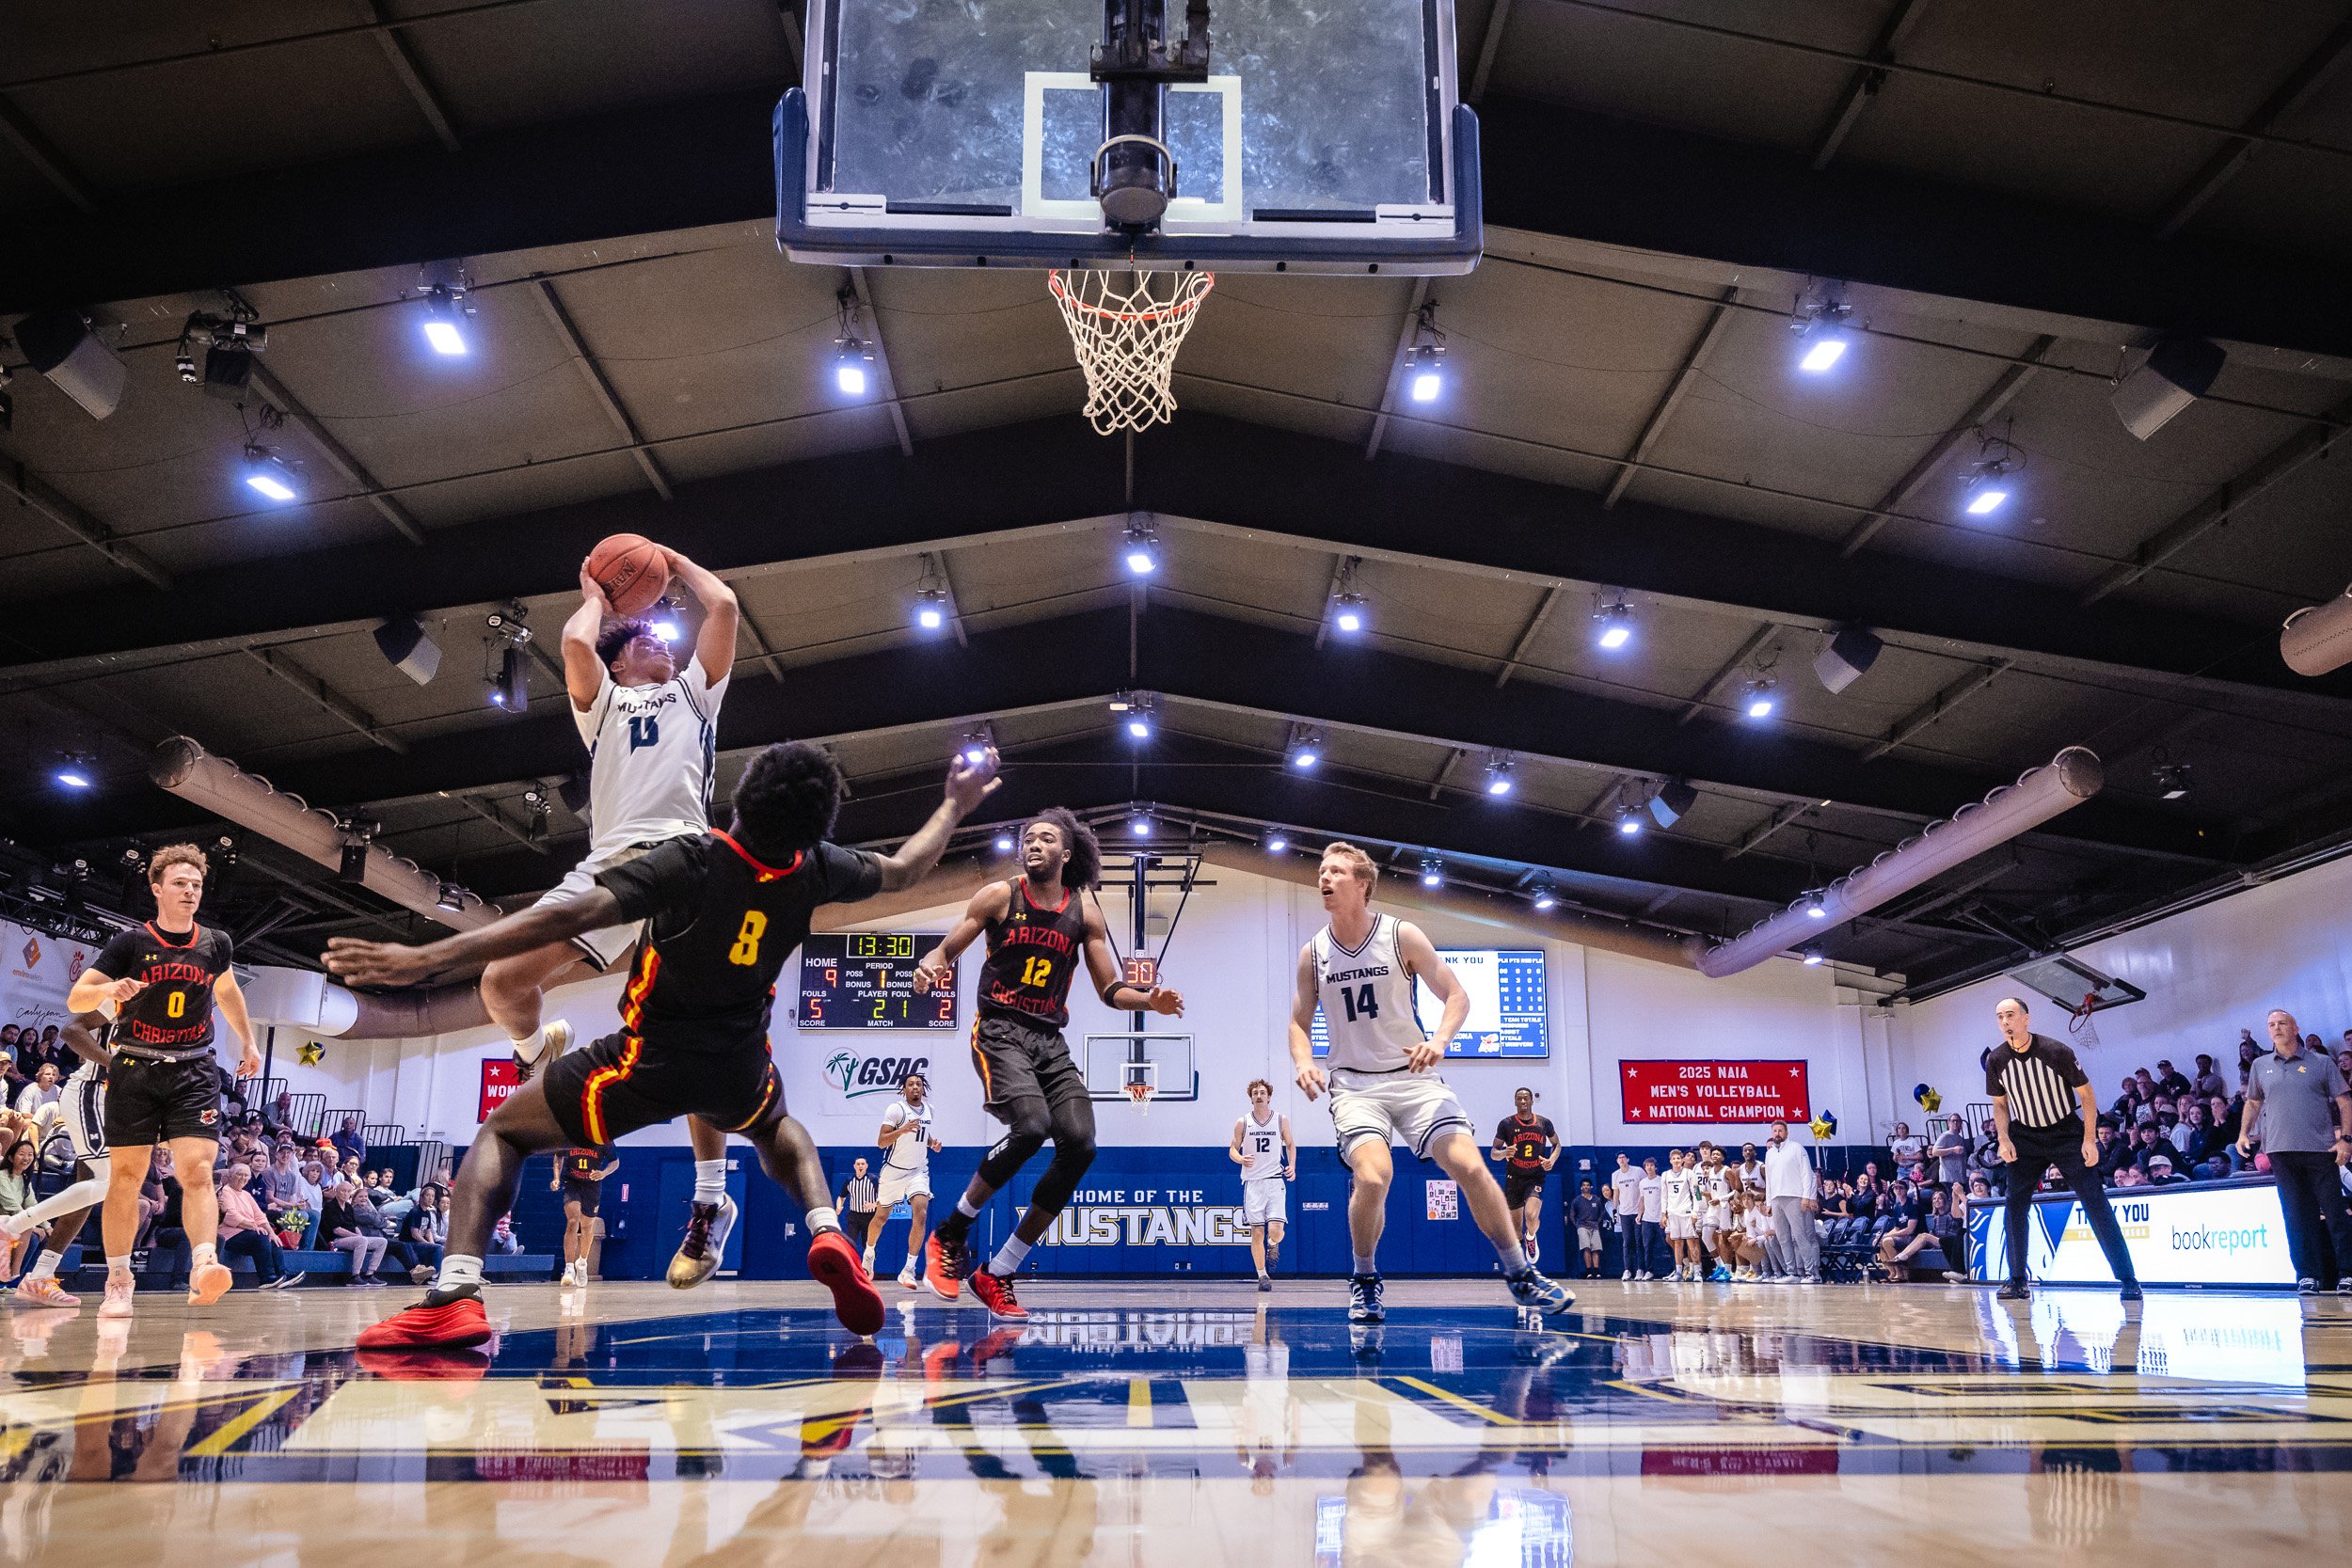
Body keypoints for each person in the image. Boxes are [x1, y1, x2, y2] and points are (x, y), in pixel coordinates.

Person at [326, 739, 999, 1349]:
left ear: (741, 799)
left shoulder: (693, 860)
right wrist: (954, 803)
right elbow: (907, 869)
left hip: (647, 1059)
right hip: (737, 1062)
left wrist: (427, 958)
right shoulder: (817, 866)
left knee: (503, 1132)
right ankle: (825, 1227)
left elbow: (567, 915)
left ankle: (454, 1294)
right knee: (775, 1125)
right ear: (813, 828)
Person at [481, 548, 744, 1269]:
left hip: (683, 867)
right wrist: (596, 593)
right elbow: (574, 644)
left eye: (663, 637)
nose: (662, 641)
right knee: (501, 981)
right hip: (606, 868)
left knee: (690, 1037)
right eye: (646, 638)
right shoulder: (601, 705)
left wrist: (671, 562)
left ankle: (711, 1197)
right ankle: (537, 1055)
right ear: (620, 663)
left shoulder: (695, 694)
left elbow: (723, 606)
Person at [1281, 842, 1572, 1323]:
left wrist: (1439, 1040)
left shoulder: (1400, 935)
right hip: (1355, 1084)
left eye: (1335, 871)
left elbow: (1456, 994)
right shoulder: (1313, 953)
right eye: (1321, 871)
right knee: (1373, 1176)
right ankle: (1364, 1279)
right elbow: (1298, 1021)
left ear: (1363, 884)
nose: (1324, 878)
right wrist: (1302, 1061)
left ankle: (1520, 1273)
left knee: (1471, 1166)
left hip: (1415, 1077)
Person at [913, 806, 1182, 1322]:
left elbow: (1110, 989)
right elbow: (945, 950)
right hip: (999, 1032)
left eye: (1045, 839)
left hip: (1049, 1041)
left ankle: (999, 1271)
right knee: (1031, 1127)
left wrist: (1150, 1000)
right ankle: (951, 1231)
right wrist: (930, 967)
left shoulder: (1084, 912)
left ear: (1067, 852)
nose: (1034, 844)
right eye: (1028, 838)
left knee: (1080, 1145)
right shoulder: (1000, 896)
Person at [65, 844, 260, 1318]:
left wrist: (249, 1042)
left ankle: (203, 1264)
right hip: (135, 1067)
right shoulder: (130, 944)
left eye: (196, 884)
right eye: (180, 883)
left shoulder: (216, 943)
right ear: (157, 889)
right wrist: (109, 987)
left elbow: (227, 991)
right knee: (126, 1179)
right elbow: (76, 1000)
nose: (190, 891)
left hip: (194, 1069)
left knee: (198, 1171)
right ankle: (118, 1279)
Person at [1985, 996, 2139, 1301]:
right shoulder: (1996, 1060)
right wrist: (2003, 1138)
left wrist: (2089, 1138)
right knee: (2014, 1202)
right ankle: (2017, 1280)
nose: (2005, 1022)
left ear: (2026, 1018)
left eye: (2011, 1015)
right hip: (2025, 1135)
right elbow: (2000, 1104)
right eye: (2000, 1016)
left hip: (2065, 1131)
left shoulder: (2056, 1051)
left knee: (2094, 1199)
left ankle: (2128, 1279)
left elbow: (2087, 1095)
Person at [2, 1008, 117, 1307]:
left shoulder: (175, 1016)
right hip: (93, 1091)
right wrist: (116, 1064)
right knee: (103, 1182)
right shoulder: (126, 994)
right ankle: (12, 1226)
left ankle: (41, 1274)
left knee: (91, 1190)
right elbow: (71, 1031)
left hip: (119, 1100)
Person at [2238, 1007, 2352, 1293]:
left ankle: (2348, 1273)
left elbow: (2344, 1102)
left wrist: (2346, 1139)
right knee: (2296, 1217)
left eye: (2282, 1023)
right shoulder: (2260, 1065)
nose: (2276, 1028)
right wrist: (2242, 1134)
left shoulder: (2321, 1062)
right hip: (2280, 1151)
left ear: (2296, 1028)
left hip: (2321, 1150)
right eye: (2271, 1025)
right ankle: (2307, 1275)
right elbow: (2253, 1103)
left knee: (2335, 1213)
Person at [860, 1071, 943, 1292]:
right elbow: (881, 1142)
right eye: (911, 1084)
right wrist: (903, 1130)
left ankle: (908, 1270)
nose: (915, 1087)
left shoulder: (929, 1110)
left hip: (918, 1170)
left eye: (918, 1084)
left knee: (921, 1212)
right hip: (893, 1171)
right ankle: (869, 1253)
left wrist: (932, 1143)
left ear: (923, 1088)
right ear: (904, 1089)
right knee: (881, 1217)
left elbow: (922, 1135)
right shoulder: (896, 1109)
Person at [1232, 1078, 1295, 1291]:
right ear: (1251, 1098)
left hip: (1275, 1181)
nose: (1259, 1096)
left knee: (1276, 1231)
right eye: (1255, 1093)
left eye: (1262, 1093)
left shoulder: (1280, 1119)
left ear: (1269, 1097)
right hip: (1253, 1183)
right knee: (1257, 1232)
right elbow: (1232, 1149)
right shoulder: (1243, 1122)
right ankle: (1262, 1276)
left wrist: (1292, 1166)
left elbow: (1290, 1144)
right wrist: (1240, 1158)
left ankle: (1273, 1244)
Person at [1488, 1086, 1558, 1266]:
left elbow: (1557, 1145)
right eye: (1519, 1098)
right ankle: (1521, 1265)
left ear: (1532, 1101)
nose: (1523, 1101)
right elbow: (1493, 1153)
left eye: (1526, 1098)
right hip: (1514, 1178)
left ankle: (1531, 1237)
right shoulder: (1506, 1124)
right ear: (1515, 1101)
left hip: (1535, 1176)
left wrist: (1551, 1160)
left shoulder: (1544, 1123)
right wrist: (1504, 1153)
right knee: (1516, 1229)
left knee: (1531, 1215)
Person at [215, 1164, 298, 1289]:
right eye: (239, 1174)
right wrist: (254, 1226)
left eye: (246, 1175)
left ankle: (283, 1274)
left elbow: (260, 1216)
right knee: (261, 1236)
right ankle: (267, 1277)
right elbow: (230, 1215)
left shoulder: (246, 1194)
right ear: (231, 1176)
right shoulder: (225, 1192)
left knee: (273, 1239)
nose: (243, 1178)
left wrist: (272, 1233)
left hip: (248, 1233)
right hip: (229, 1236)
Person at [1760, 1120, 1820, 1285]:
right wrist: (1769, 1202)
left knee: (1800, 1236)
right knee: (1783, 1238)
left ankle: (1811, 1273)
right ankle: (1791, 1272)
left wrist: (1806, 1196)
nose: (1777, 1133)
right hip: (1776, 1199)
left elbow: (1807, 1173)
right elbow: (1769, 1180)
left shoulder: (1796, 1148)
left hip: (1795, 1196)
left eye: (1780, 1130)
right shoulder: (1770, 1154)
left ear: (1786, 1133)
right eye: (1775, 1131)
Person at [550, 1146, 617, 1287]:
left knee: (587, 1226)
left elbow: (615, 1161)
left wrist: (603, 1173)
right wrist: (556, 1178)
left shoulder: (602, 1139)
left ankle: (582, 1263)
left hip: (592, 1185)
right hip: (572, 1183)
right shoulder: (571, 1137)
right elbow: (558, 1156)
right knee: (573, 1221)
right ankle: (569, 1268)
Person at [1661, 1148, 1703, 1282]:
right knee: (1677, 1243)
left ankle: (1697, 1271)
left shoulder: (1689, 1173)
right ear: (1670, 1161)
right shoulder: (1665, 1175)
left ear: (1682, 1160)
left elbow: (1697, 1193)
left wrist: (1695, 1212)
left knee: (1691, 1242)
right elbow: (1664, 1196)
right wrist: (1664, 1213)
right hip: (1673, 1213)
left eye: (1678, 1158)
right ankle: (1679, 1272)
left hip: (1687, 1212)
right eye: (1674, 1158)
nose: (1676, 1160)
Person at [1608, 1153, 1644, 1281]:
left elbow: (1644, 1188)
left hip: (1638, 1212)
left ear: (1628, 1159)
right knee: (1627, 1242)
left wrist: (1643, 1209)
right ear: (1617, 1161)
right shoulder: (1615, 1175)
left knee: (1639, 1241)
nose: (1621, 1159)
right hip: (1624, 1213)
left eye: (1623, 1157)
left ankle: (1640, 1269)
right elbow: (1616, 1193)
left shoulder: (1638, 1171)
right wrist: (1615, 1210)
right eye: (1619, 1158)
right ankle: (1627, 1269)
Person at [836, 1158, 878, 1264]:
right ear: (854, 1166)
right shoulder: (849, 1180)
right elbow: (841, 1197)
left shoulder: (873, 1180)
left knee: (867, 1243)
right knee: (850, 1241)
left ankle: (869, 1267)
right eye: (858, 1164)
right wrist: (839, 1207)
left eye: (863, 1164)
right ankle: (852, 1265)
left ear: (866, 1166)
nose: (860, 1166)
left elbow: (883, 1198)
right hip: (854, 1216)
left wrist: (873, 1205)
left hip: (869, 1217)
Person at [1636, 1156, 1664, 1280]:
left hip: (1660, 1219)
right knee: (1647, 1246)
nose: (1649, 1167)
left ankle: (1675, 1269)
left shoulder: (1661, 1180)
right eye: (1647, 1165)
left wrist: (1664, 1215)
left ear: (1656, 1167)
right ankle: (1649, 1271)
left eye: (1652, 1165)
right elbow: (1642, 1200)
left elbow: (1665, 1199)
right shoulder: (1642, 1183)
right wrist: (1639, 1214)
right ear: (1645, 1168)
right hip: (1647, 1220)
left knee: (1668, 1244)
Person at [1569, 1180, 1605, 1279]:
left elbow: (1601, 1213)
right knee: (1586, 1248)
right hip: (1582, 1226)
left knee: (1596, 1249)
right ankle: (1589, 1271)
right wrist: (1578, 1225)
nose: (1586, 1187)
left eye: (1588, 1185)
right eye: (1584, 1185)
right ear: (1581, 1187)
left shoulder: (1597, 1199)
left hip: (1594, 1226)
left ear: (1591, 1187)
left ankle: (1597, 1271)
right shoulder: (1577, 1200)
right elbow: (1572, 1215)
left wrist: (1597, 1222)